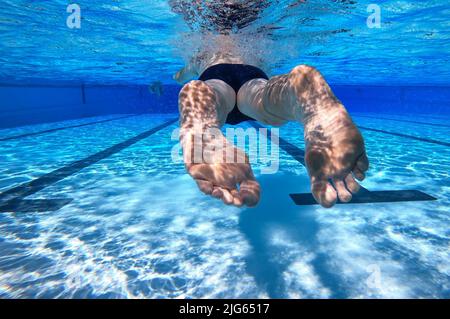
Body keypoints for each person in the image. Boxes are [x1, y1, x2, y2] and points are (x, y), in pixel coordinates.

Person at [173, 15, 369, 210]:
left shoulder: (200, 55)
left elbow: (181, 75)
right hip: (251, 77)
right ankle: (300, 91)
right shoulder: (258, 41)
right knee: (265, 97)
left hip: (215, 76)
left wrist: (180, 75)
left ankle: (200, 123)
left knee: (210, 93)